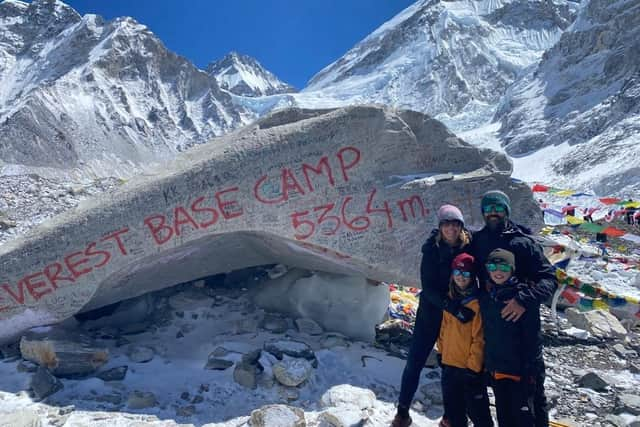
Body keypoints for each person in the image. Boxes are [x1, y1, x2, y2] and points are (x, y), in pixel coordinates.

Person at [470, 190, 556, 427]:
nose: (493, 213)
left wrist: (524, 299)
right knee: (503, 399)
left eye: (498, 208)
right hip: (495, 335)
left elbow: (549, 279)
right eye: (488, 209)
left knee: (533, 396)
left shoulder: (524, 243)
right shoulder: (478, 241)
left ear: (507, 210)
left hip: (525, 331)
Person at [391, 204, 473, 427]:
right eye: (447, 224)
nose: (451, 228)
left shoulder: (470, 246)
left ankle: (450, 417)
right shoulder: (431, 249)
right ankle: (402, 412)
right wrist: (452, 306)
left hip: (455, 317)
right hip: (433, 311)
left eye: (456, 224)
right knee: (415, 361)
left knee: (452, 366)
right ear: (440, 227)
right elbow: (428, 287)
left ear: (461, 227)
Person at [479, 249, 539, 427]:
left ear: (512, 269)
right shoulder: (488, 296)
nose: (498, 271)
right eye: (493, 266)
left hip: (519, 371)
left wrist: (530, 369)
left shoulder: (522, 298)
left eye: (504, 266)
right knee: (503, 415)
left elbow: (532, 335)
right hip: (498, 368)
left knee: (522, 419)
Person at [437, 253, 493, 427]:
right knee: (454, 413)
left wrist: (474, 367)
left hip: (468, 369)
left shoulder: (476, 304)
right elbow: (444, 329)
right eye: (457, 273)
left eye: (466, 274)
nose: (461, 277)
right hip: (449, 364)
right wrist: (441, 352)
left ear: (473, 276)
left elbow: (479, 338)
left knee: (478, 413)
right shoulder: (451, 300)